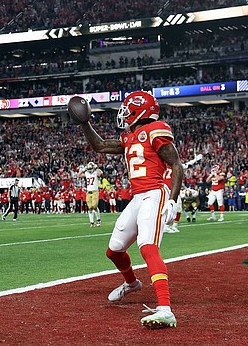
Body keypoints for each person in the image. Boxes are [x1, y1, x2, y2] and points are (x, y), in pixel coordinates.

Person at [74, 90, 182, 328]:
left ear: (139, 110)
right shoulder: (130, 136)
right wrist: (85, 123)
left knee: (148, 248)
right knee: (114, 250)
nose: (124, 113)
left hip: (154, 194)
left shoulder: (155, 130)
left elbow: (176, 164)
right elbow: (100, 146)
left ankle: (165, 309)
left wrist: (172, 200)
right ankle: (132, 284)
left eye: (127, 109)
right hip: (138, 197)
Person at [79, 161, 103, 227]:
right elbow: (78, 175)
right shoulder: (86, 173)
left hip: (95, 191)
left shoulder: (96, 172)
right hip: (88, 192)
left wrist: (96, 167)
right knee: (90, 207)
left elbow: (100, 174)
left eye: (90, 168)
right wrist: (84, 169)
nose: (89, 170)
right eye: (89, 168)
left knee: (94, 206)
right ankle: (91, 222)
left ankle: (98, 220)